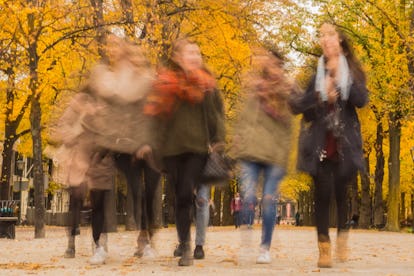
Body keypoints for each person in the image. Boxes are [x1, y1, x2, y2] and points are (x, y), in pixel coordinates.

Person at [289, 23, 368, 268]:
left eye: (330, 34)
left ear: (340, 42)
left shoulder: (353, 71)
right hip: (322, 144)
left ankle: (342, 235)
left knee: (341, 194)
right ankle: (324, 248)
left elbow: (362, 100)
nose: (326, 39)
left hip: (345, 143)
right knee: (322, 195)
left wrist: (341, 90)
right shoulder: (317, 74)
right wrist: (318, 95)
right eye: (322, 35)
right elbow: (297, 108)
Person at [143, 38, 225, 266]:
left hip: (197, 148)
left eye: (197, 53)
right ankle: (184, 243)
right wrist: (150, 142)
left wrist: (218, 139)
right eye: (190, 53)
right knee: (179, 198)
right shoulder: (165, 82)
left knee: (186, 191)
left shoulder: (206, 84)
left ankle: (190, 247)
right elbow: (155, 115)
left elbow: (216, 114)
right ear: (178, 57)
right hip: (170, 149)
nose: (195, 57)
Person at [230, 47, 295, 264]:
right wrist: (238, 141)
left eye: (272, 62)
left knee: (268, 200)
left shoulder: (287, 91)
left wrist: (283, 157)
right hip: (251, 152)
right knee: (248, 197)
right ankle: (247, 240)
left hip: (274, 155)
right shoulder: (254, 89)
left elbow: (289, 129)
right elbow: (244, 119)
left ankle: (264, 247)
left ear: (279, 65)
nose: (267, 65)